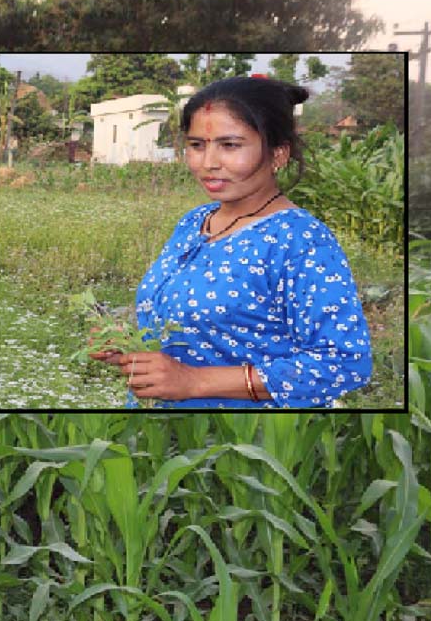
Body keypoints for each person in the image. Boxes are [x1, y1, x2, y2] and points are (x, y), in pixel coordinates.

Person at [90, 75, 372, 408]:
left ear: (278, 154)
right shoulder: (194, 223)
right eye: (197, 145)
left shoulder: (299, 241)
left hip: (241, 445)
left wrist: (194, 381)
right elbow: (193, 329)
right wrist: (128, 342)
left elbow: (345, 363)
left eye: (230, 145)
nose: (208, 163)